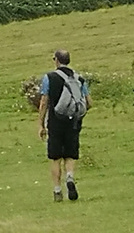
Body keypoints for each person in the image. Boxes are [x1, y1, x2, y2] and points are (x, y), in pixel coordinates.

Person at [40, 49, 91, 201]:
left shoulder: (49, 77)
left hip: (56, 121)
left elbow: (44, 102)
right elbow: (89, 102)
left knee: (55, 157)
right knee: (70, 154)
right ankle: (70, 176)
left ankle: (57, 191)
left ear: (56, 60)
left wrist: (41, 124)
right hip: (74, 122)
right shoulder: (79, 79)